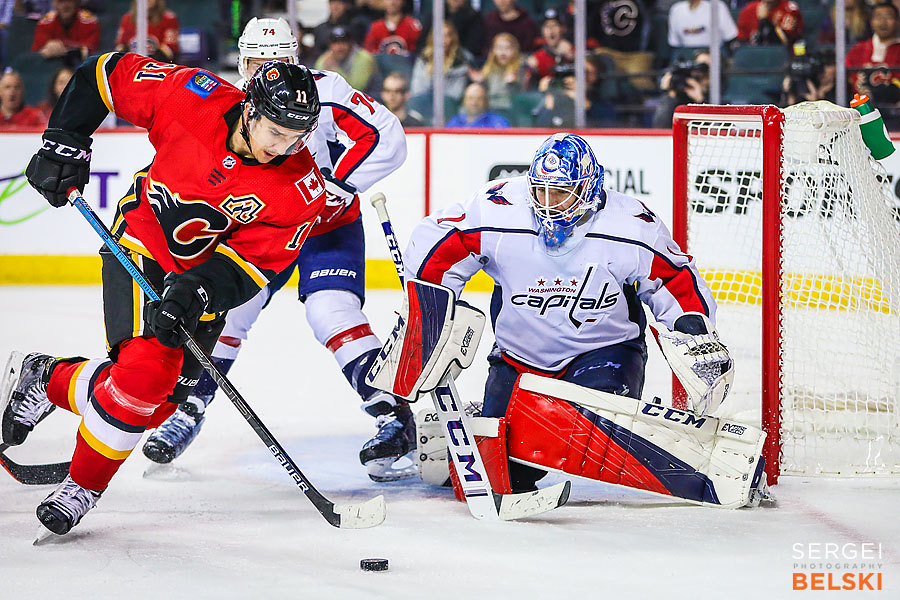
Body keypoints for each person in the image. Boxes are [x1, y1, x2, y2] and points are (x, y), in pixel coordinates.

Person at [4, 54, 325, 537]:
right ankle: (83, 486)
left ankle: (47, 377)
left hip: (201, 285)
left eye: (297, 136)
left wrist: (197, 290)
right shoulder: (192, 96)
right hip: (141, 245)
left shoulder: (301, 189)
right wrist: (65, 140)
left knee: (159, 405)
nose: (285, 147)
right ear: (251, 110)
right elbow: (103, 74)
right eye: (277, 132)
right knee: (143, 375)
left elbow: (255, 264)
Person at [142, 17, 411, 483]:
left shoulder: (324, 90)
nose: (266, 71)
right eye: (256, 62)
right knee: (230, 312)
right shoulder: (224, 103)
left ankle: (393, 415)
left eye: (278, 61)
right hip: (257, 230)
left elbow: (388, 137)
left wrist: (338, 185)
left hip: (324, 226)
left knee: (333, 313)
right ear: (242, 63)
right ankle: (189, 406)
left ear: (295, 61)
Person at [397, 132, 734, 494]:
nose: (547, 203)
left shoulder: (630, 225)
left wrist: (695, 331)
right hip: (518, 357)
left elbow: (672, 278)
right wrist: (430, 308)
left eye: (559, 193)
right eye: (540, 190)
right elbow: (437, 241)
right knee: (506, 478)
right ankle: (476, 422)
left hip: (604, 353)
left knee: (582, 437)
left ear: (587, 190)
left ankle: (578, 423)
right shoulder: (497, 209)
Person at [846, 2, 900, 105]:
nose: (883, 22)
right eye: (878, 17)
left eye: (888, 17)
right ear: (871, 21)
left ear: (897, 21)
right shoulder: (857, 50)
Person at [410, 21, 474, 101]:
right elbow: (417, 90)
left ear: (453, 38)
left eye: (447, 36)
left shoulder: (462, 60)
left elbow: (456, 95)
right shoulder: (423, 59)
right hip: (424, 105)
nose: (443, 40)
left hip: (450, 107)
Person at [651, 50, 710, 128]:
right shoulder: (681, 94)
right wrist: (670, 95)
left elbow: (711, 130)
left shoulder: (721, 96)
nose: (701, 73)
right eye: (699, 65)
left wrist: (700, 100)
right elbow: (660, 128)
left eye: (705, 68)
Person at [469, 32, 528, 110]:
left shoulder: (520, 68)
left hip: (510, 111)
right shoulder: (488, 69)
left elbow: (522, 99)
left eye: (507, 48)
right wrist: (481, 82)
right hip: (490, 109)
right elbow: (486, 97)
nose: (503, 53)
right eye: (499, 48)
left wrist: (512, 84)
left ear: (515, 50)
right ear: (493, 50)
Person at [314, 26, 377, 94]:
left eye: (343, 42)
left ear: (351, 43)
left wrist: (336, 72)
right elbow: (319, 86)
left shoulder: (364, 58)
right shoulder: (324, 59)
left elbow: (357, 88)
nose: (339, 47)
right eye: (335, 43)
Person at [30, 0, 99, 61]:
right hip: (51, 64)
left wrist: (63, 47)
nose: (65, 5)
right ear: (54, 3)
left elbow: (90, 51)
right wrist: (47, 47)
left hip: (79, 64)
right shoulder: (45, 22)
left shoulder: (89, 22)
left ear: (77, 2)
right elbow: (37, 51)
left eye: (69, 1)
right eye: (61, 1)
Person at [114, 0, 180, 62]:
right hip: (132, 62)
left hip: (157, 64)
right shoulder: (127, 18)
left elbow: (170, 50)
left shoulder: (168, 18)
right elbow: (120, 46)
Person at [527, 10, 574, 86]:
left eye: (555, 25)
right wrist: (533, 71)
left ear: (563, 28)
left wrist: (573, 58)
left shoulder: (575, 51)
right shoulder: (537, 58)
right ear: (542, 31)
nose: (551, 30)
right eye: (547, 26)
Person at [667, 0, 738, 48]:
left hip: (712, 53)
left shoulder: (717, 6)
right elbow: (674, 42)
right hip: (686, 53)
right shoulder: (676, 9)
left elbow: (730, 36)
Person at [736, 0, 804, 46]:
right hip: (755, 58)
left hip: (783, 58)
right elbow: (741, 43)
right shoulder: (748, 10)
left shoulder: (789, 9)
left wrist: (764, 20)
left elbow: (782, 43)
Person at [446, 81, 510, 127]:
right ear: (464, 101)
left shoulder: (497, 122)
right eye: (470, 98)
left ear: (486, 101)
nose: (474, 102)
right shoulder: (455, 121)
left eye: (479, 98)